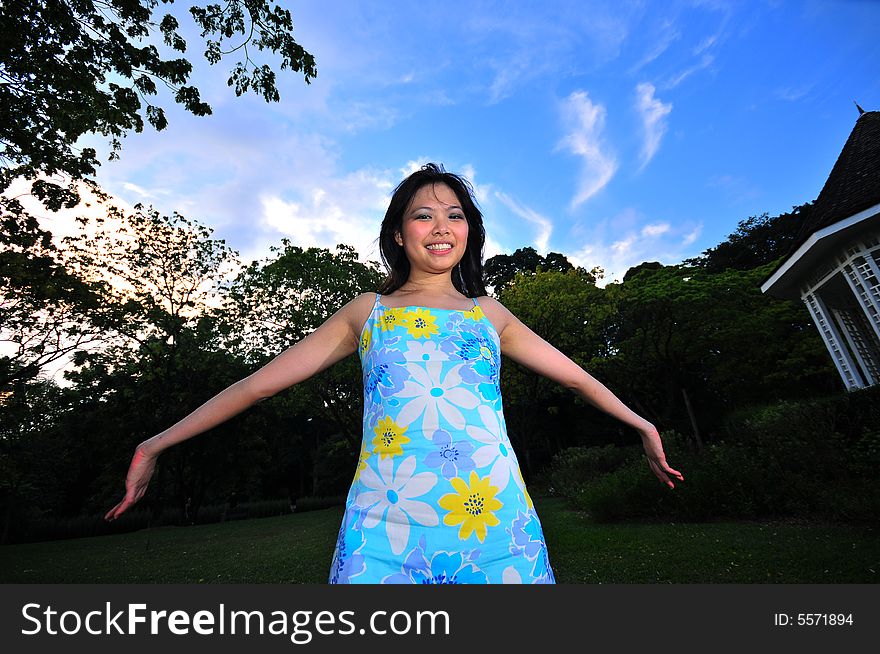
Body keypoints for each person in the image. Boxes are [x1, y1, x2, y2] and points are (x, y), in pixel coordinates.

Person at [105, 163, 683, 584]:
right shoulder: (366, 313)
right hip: (382, 529)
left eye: (454, 216)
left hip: (495, 528)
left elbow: (579, 378)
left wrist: (643, 425)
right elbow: (260, 384)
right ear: (399, 233)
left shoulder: (492, 315)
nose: (440, 226)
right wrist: (154, 445)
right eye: (423, 215)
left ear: (469, 232)